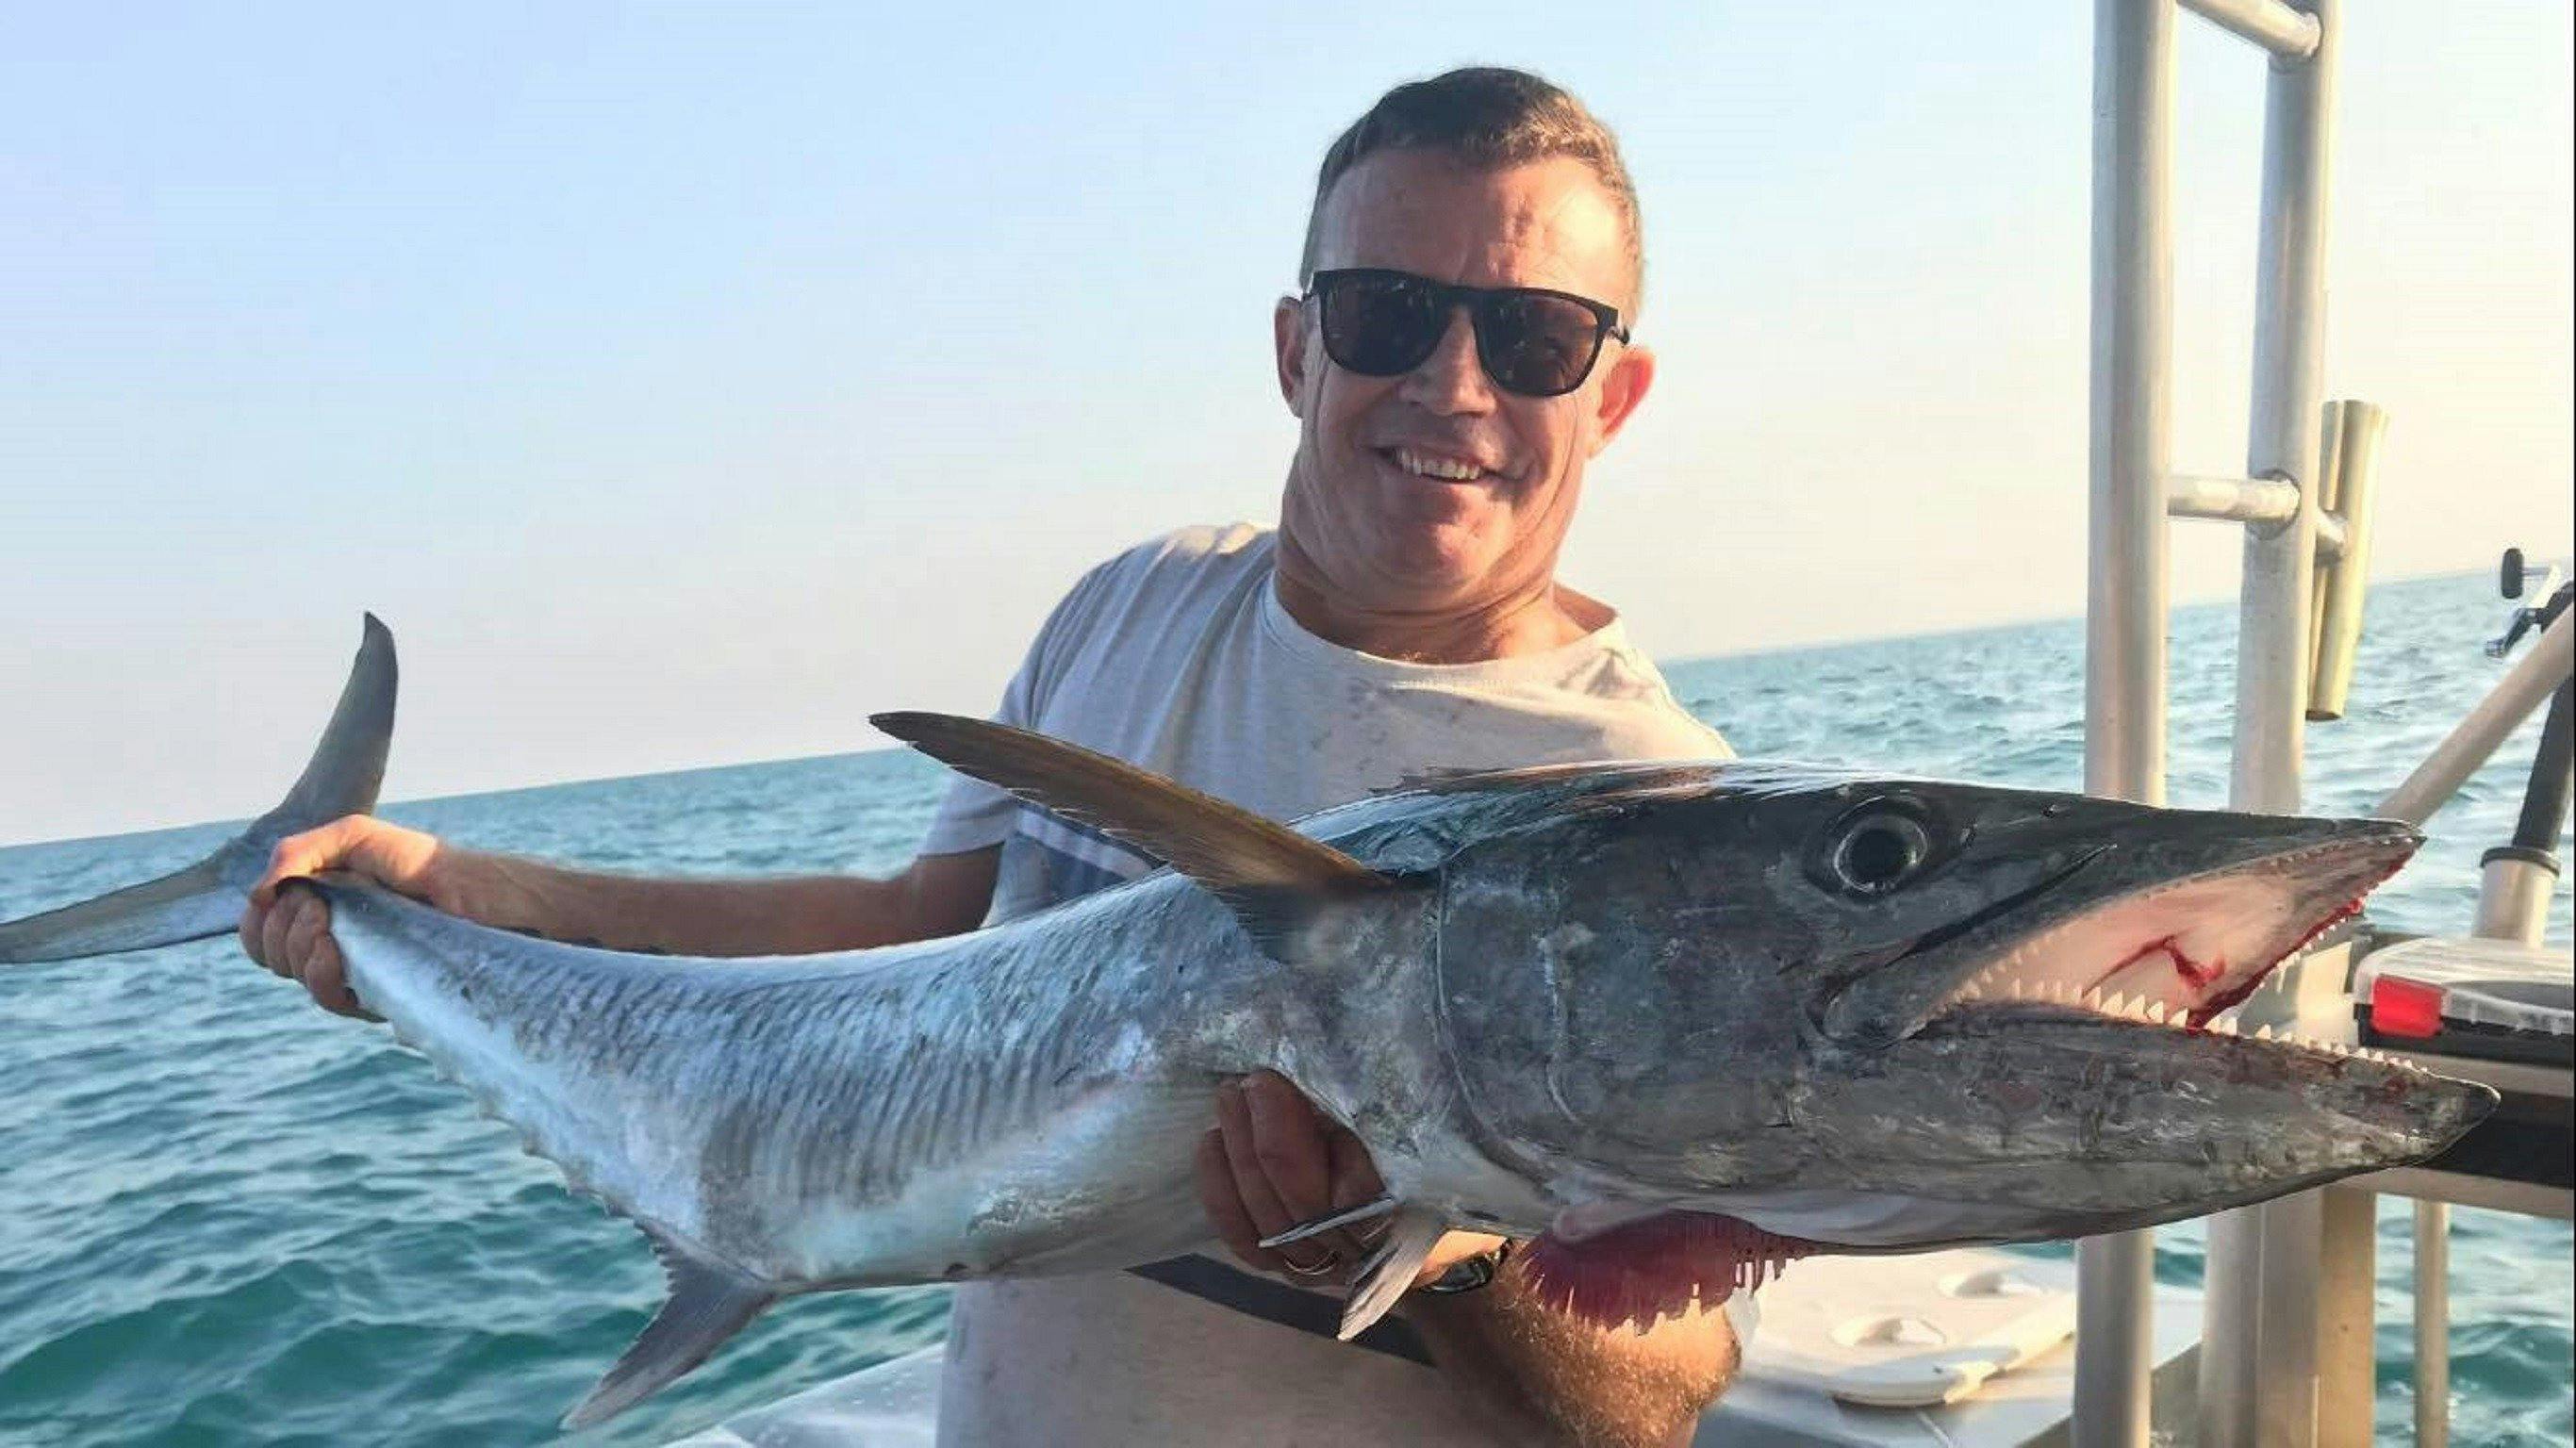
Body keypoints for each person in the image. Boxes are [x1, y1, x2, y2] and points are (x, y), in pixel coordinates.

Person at [242, 67, 1746, 1447]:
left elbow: (1660, 1399)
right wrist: (443, 890)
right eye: (1386, 315)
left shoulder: (1654, 818)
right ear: (1297, 351)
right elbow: (913, 941)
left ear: (1611, 396)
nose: (1455, 384)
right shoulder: (1136, 606)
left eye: (1537, 336)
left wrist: (1430, 1252)